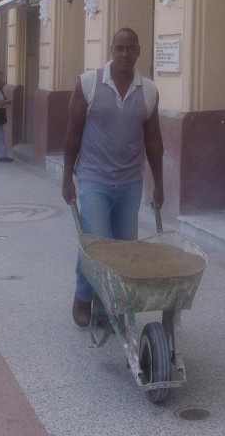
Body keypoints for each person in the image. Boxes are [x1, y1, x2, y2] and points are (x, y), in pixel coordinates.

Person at [62, 27, 164, 328]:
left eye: (130, 48)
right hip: (94, 178)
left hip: (131, 180)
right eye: (119, 48)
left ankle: (110, 304)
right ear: (111, 49)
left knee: (124, 248)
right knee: (97, 242)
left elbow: (154, 141)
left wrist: (158, 183)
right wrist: (67, 177)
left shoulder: (148, 91)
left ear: (138, 51)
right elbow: (72, 134)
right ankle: (83, 296)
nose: (124, 54)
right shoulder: (89, 83)